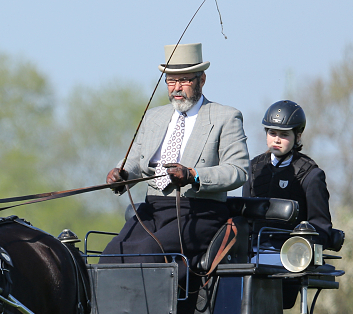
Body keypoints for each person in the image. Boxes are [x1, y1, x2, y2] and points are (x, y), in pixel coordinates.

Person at [101, 43, 249, 271]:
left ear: (202, 80)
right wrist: (121, 172)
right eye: (171, 80)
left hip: (199, 211)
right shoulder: (154, 117)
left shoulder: (226, 117)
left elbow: (238, 171)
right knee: (112, 252)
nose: (177, 88)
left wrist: (193, 175)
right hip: (152, 209)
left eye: (185, 80)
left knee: (150, 252)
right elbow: (135, 160)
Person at [241, 100, 333, 247]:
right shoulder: (252, 168)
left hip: (292, 256)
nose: (276, 140)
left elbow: (321, 228)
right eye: (272, 133)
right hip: (254, 253)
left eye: (284, 135)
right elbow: (244, 219)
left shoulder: (312, 175)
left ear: (297, 137)